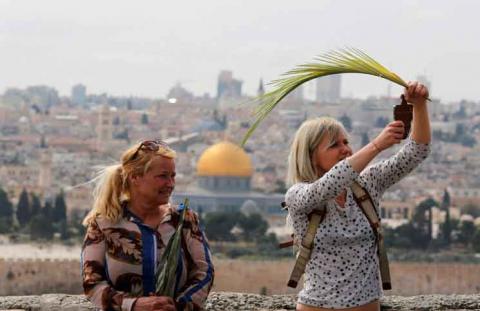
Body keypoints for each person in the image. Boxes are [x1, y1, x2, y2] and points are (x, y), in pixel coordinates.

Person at [285, 82, 430, 311]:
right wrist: (375, 146)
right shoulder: (298, 195)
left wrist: (419, 106)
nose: (346, 149)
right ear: (311, 156)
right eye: (335, 145)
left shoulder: (367, 185)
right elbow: (328, 185)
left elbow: (416, 152)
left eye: (346, 142)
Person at [81, 140, 214, 311]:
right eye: (163, 176)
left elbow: (204, 273)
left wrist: (177, 307)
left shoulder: (184, 220)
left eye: (173, 176)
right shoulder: (103, 223)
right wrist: (133, 305)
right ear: (135, 177)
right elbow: (91, 282)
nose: (171, 184)